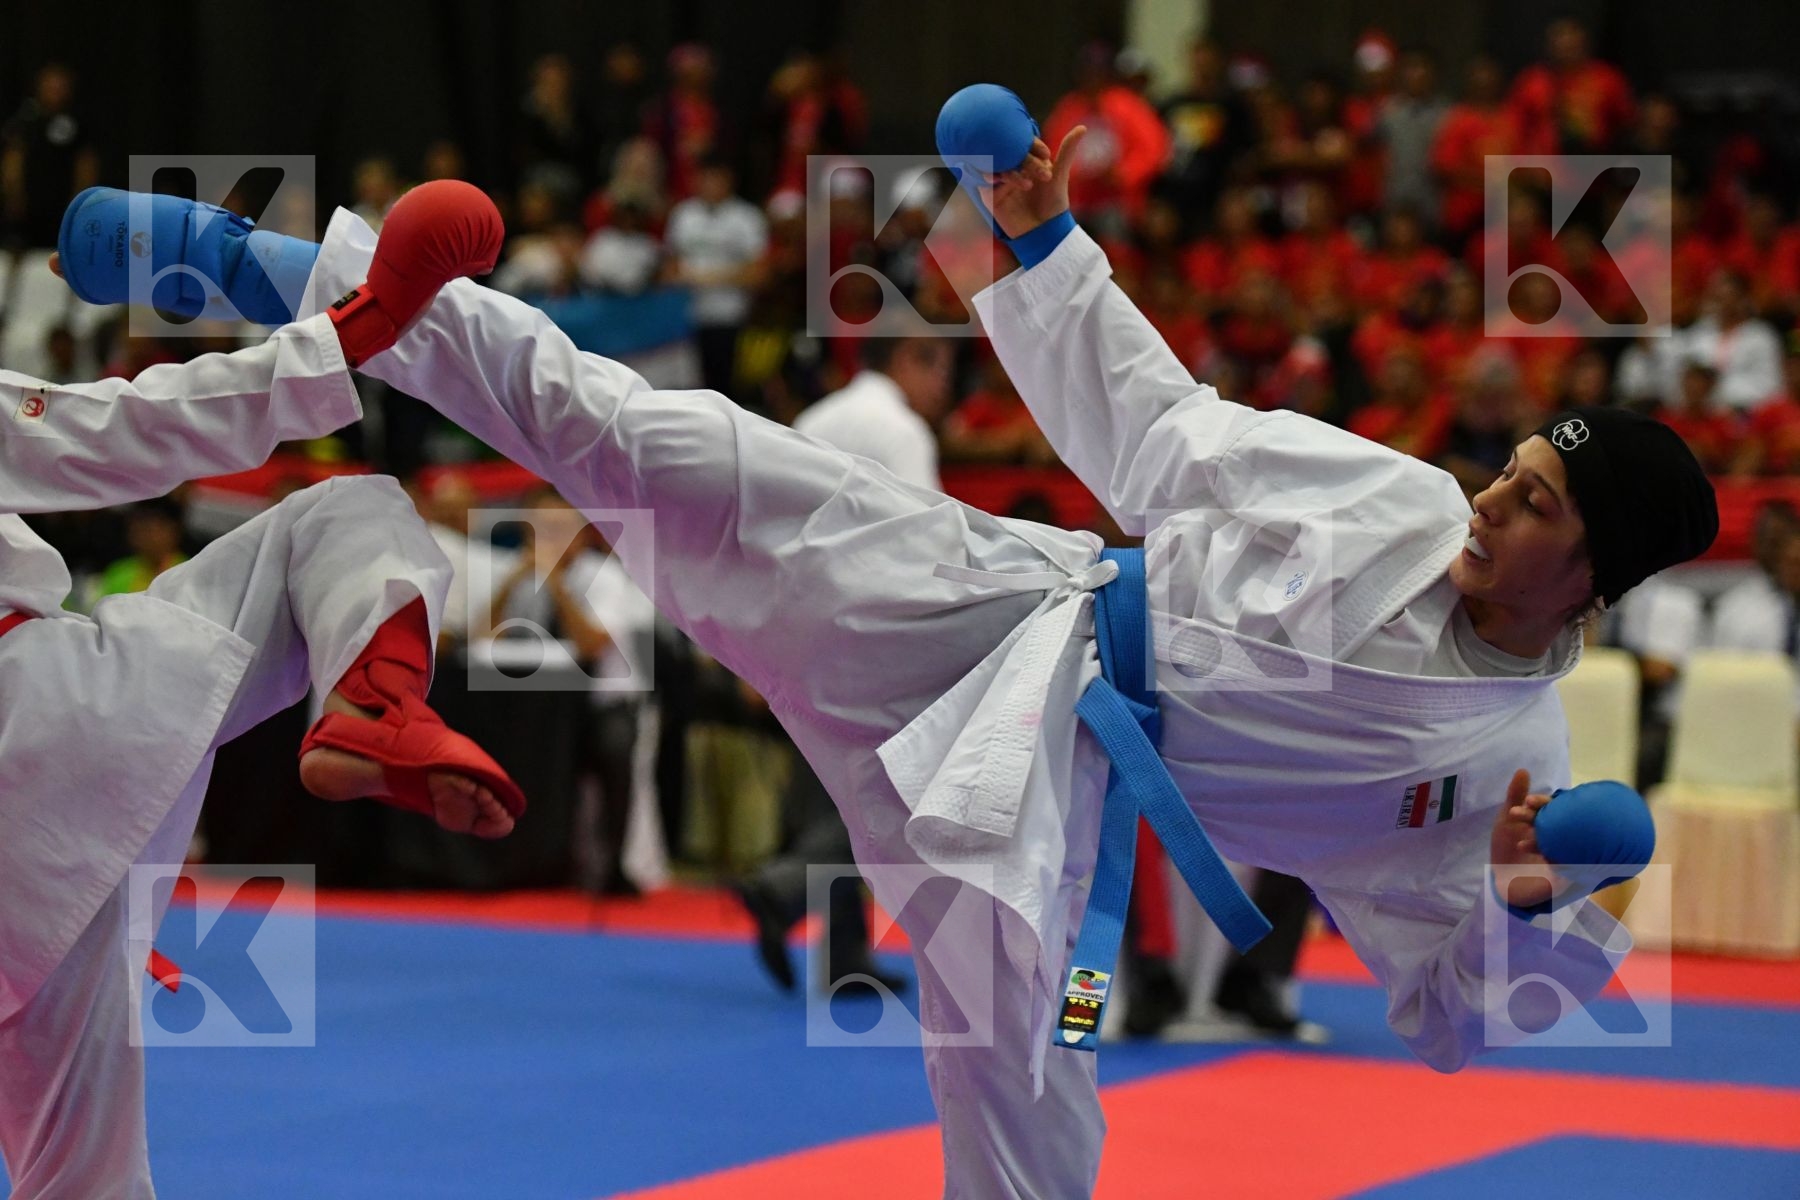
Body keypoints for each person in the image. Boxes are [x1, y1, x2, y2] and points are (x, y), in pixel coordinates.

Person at [131, 123, 1712, 1192]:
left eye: (1535, 503)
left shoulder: (1511, 782)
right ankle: (306, 282)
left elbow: (1449, 1021)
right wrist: (1049, 249)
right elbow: (1166, 439)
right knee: (656, 444)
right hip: (1011, 609)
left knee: (1018, 1093)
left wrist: (1520, 913)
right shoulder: (1398, 498)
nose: (1491, 495)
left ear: (1593, 573)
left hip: (1050, 818)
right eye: (1513, 468)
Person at [0, 181, 524, 1199]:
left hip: (31, 860)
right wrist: (352, 325)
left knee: (84, 1180)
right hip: (39, 724)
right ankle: (375, 702)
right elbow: (127, 432)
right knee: (338, 518)